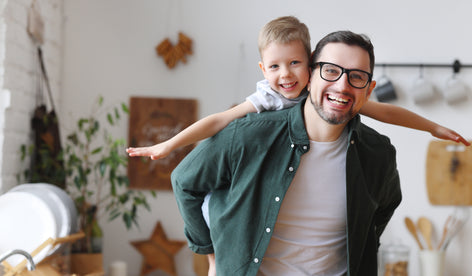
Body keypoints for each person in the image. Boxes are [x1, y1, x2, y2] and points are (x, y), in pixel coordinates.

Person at [172, 29, 403, 275]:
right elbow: (184, 181)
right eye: (331, 71)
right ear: (310, 74)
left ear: (368, 90)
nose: (342, 85)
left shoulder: (378, 153)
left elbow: (384, 208)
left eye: (356, 77)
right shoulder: (248, 134)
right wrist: (211, 254)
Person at [126, 17, 468, 160]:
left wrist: (434, 127)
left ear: (310, 63)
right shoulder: (267, 97)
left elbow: (384, 110)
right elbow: (218, 120)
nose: (285, 75)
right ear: (263, 70)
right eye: (274, 67)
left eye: (294, 63)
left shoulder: (326, 97)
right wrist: (168, 145)